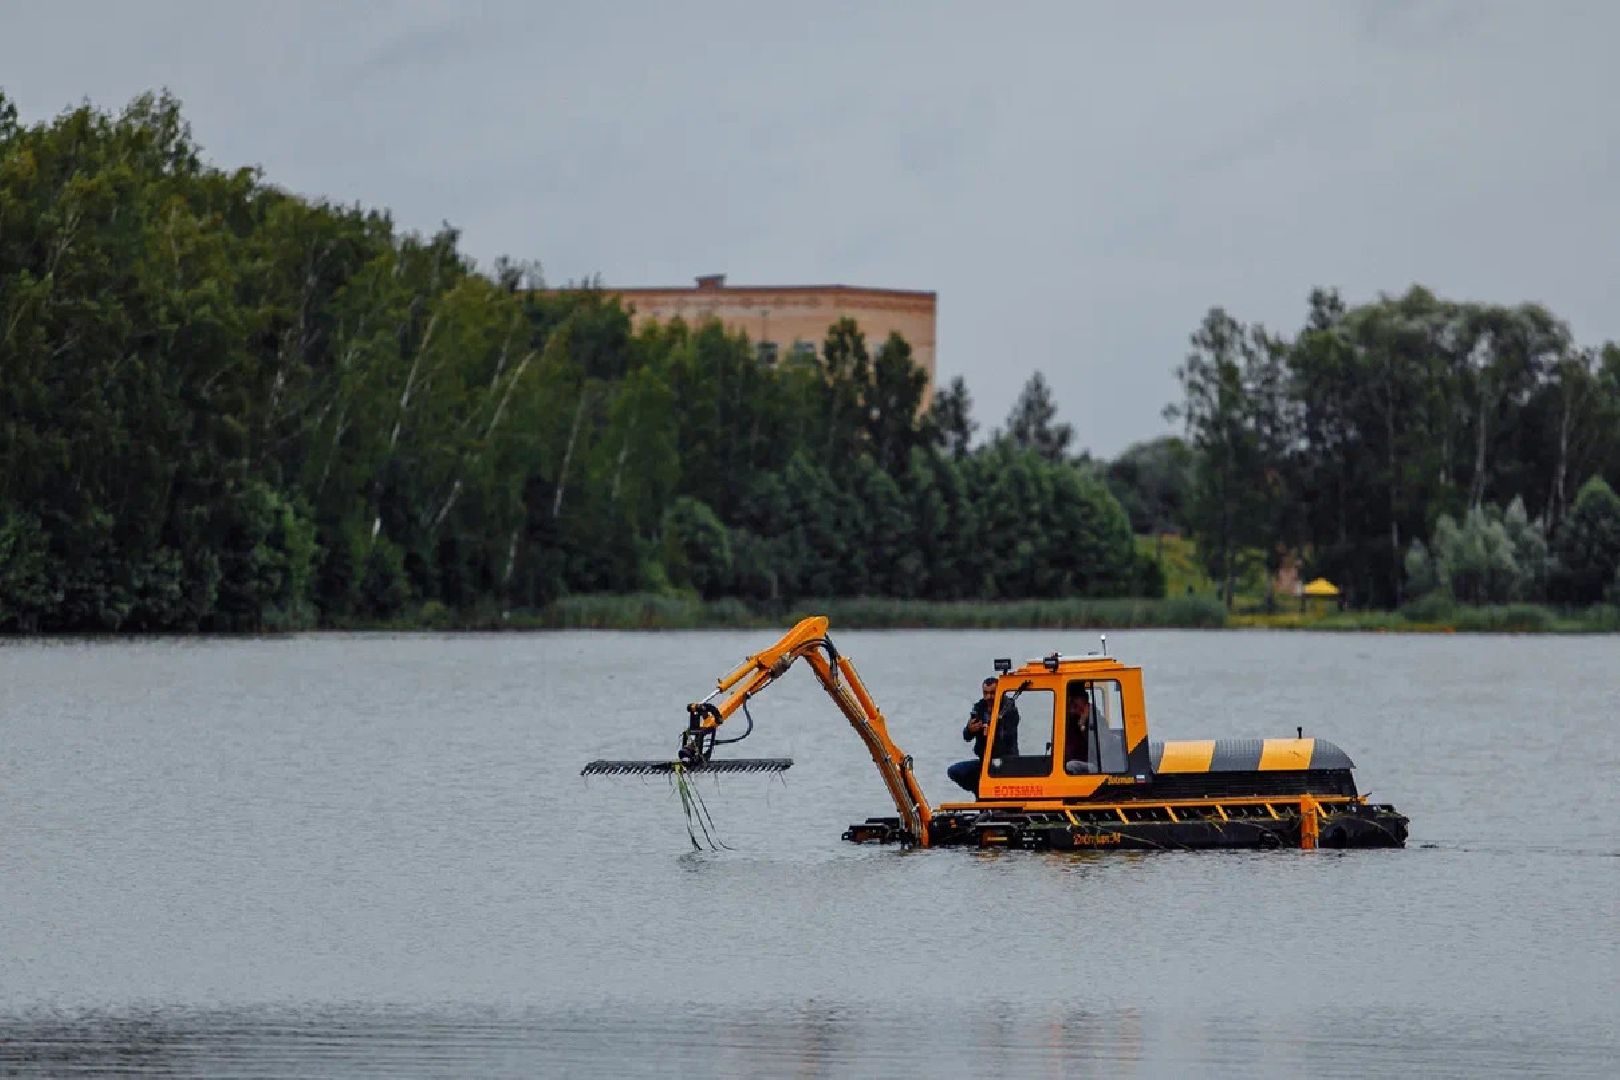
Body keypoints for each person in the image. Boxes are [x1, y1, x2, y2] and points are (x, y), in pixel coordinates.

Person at [947, 676, 1020, 794]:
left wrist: (991, 730)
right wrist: (970, 729)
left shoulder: (1009, 710)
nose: (988, 697)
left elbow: (1008, 735)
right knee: (954, 771)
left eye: (992, 693)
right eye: (985, 693)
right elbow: (966, 737)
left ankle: (988, 793)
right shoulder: (979, 708)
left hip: (1005, 761)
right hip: (984, 760)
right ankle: (979, 791)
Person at [1064, 683, 1095, 774]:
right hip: (1074, 759)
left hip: (1093, 764)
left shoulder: (1096, 720)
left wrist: (1082, 724)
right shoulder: (1071, 720)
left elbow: (1098, 747)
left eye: (1075, 705)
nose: (1072, 709)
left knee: (1070, 766)